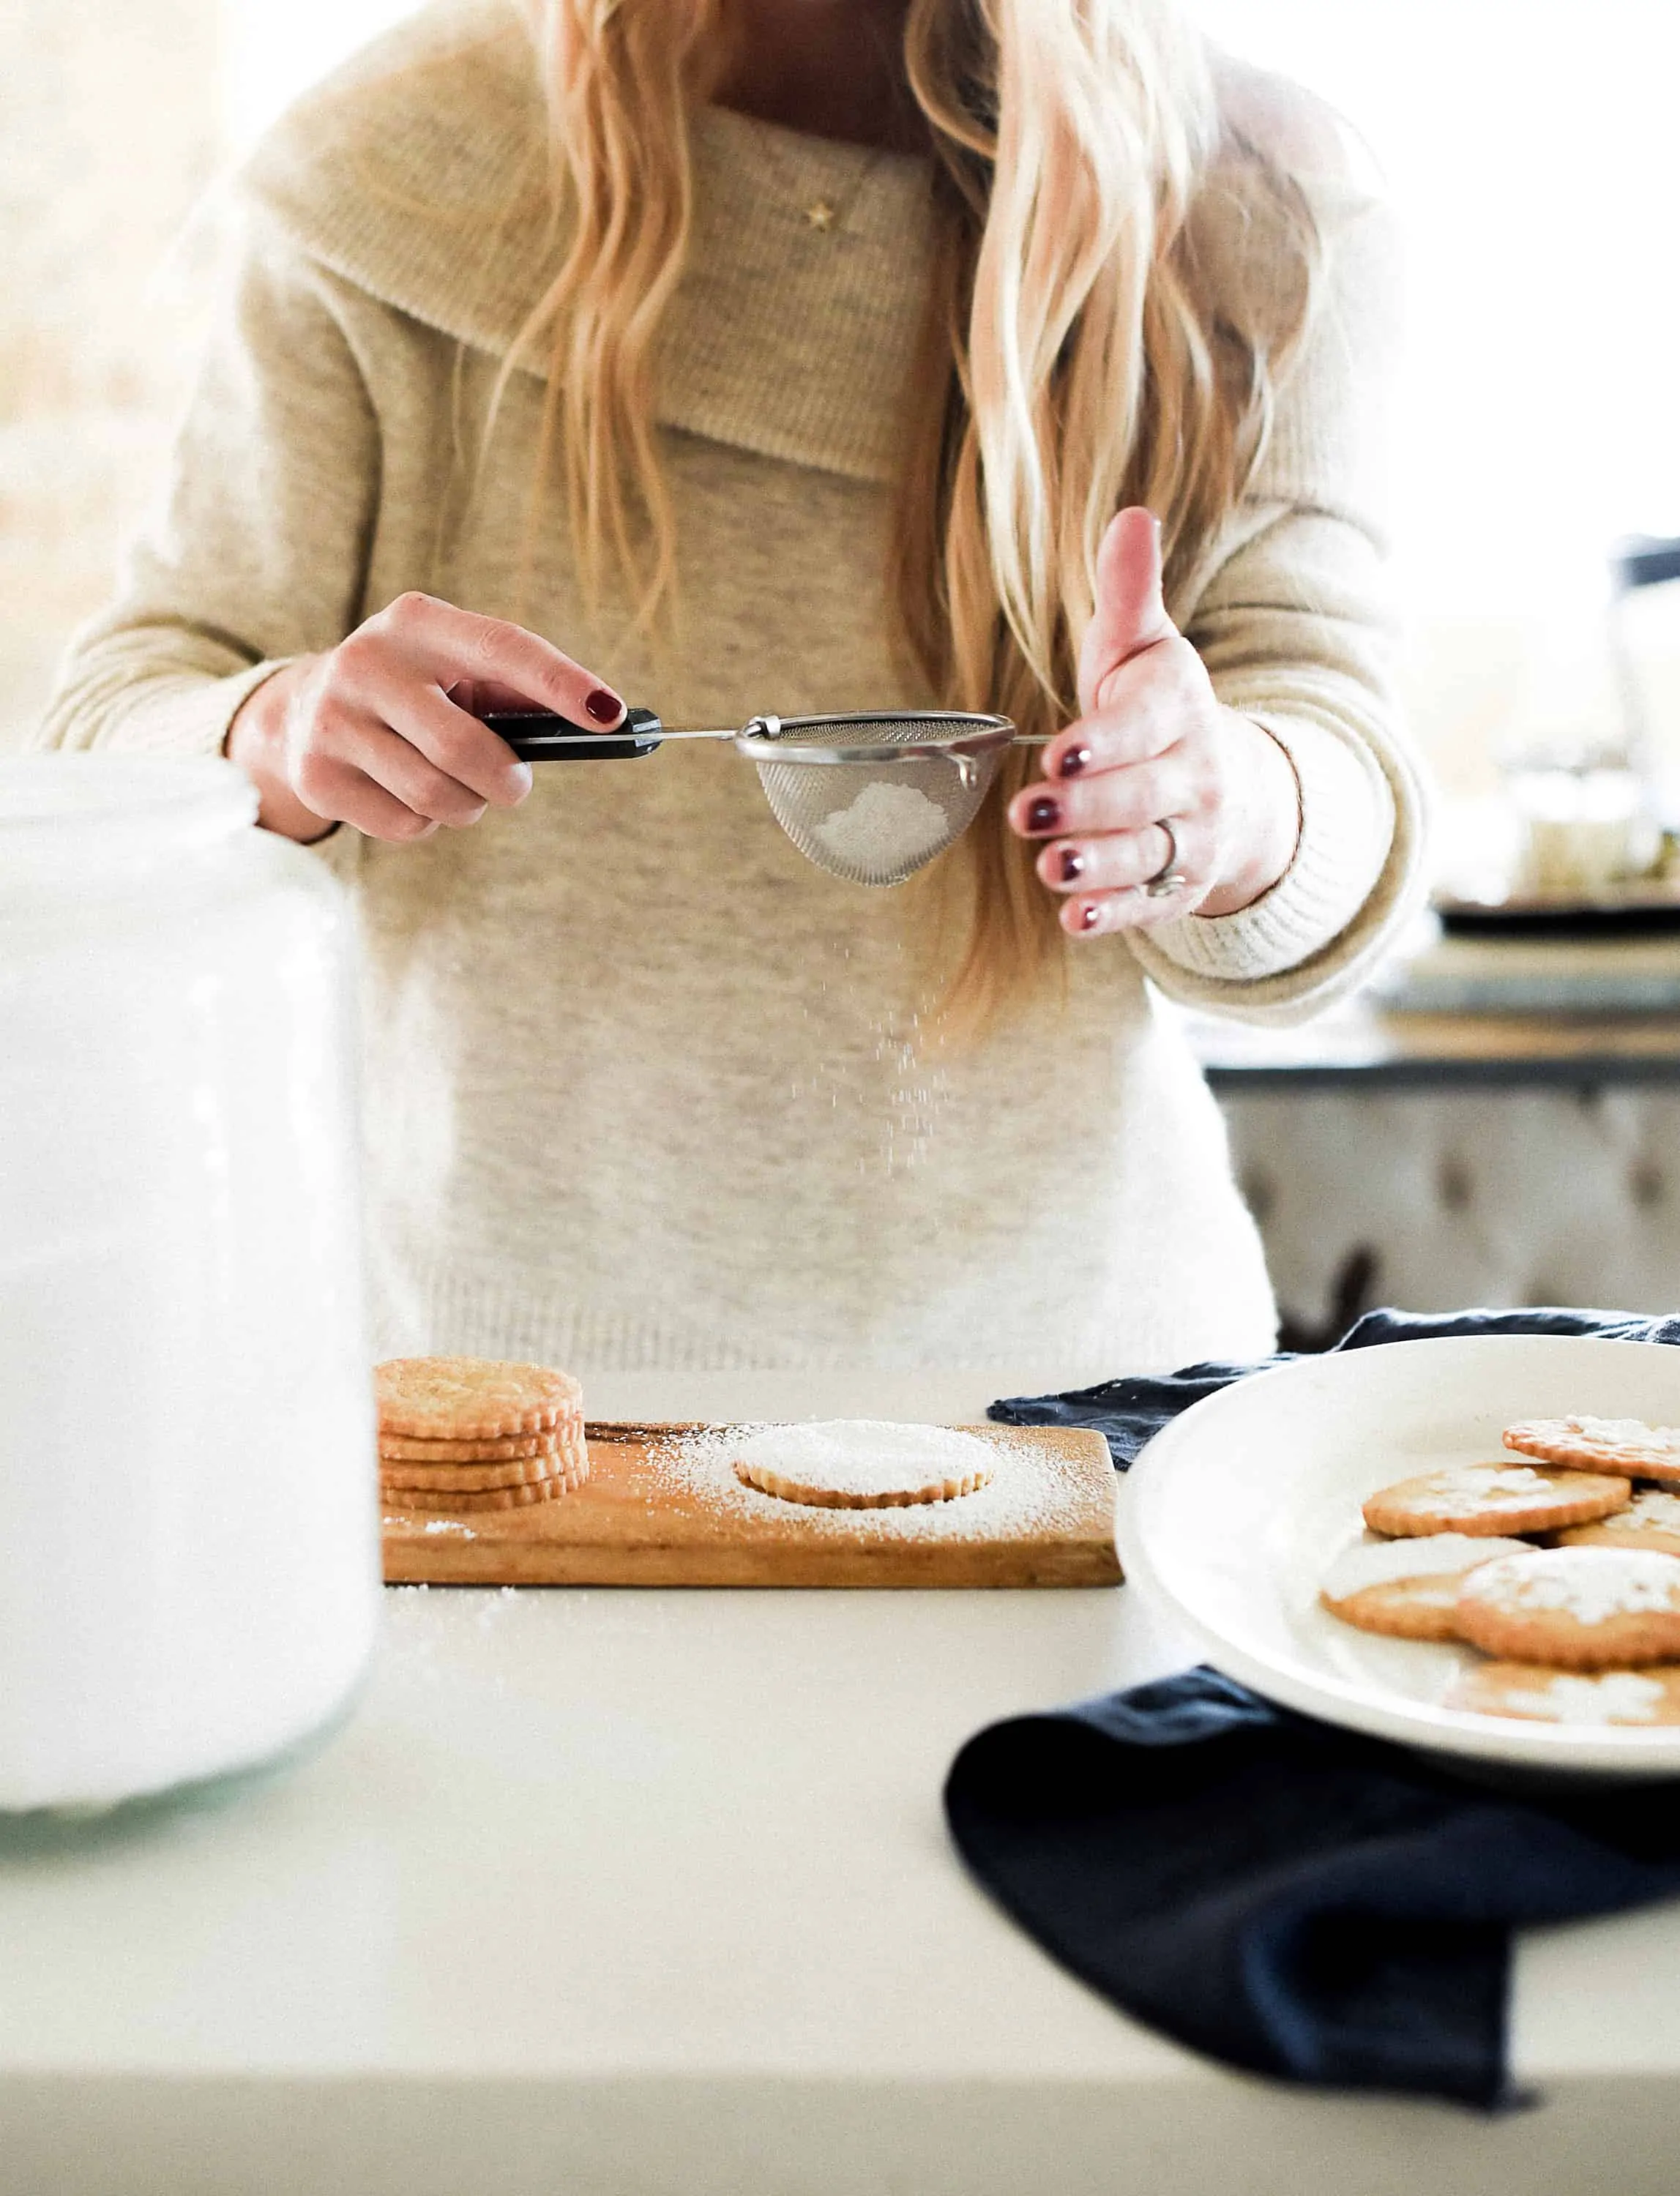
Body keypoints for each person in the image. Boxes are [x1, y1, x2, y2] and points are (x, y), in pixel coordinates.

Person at [40, 0, 1424, 1395]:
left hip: (1080, 1416)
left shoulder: (1261, 206)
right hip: (493, 1415)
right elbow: (110, 723)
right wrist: (270, 730)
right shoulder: (390, 170)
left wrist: (1231, 804)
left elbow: (1331, 757)